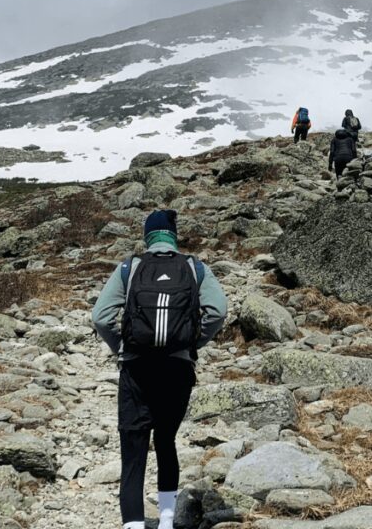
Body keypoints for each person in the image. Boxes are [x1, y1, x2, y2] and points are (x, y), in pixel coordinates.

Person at [92, 209, 228, 529]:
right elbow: (218, 312)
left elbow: (100, 316)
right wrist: (191, 345)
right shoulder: (195, 268)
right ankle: (167, 520)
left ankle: (134, 524)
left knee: (134, 448)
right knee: (166, 440)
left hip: (136, 368)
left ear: (148, 236)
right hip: (177, 368)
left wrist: (121, 348)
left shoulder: (130, 267)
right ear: (173, 235)